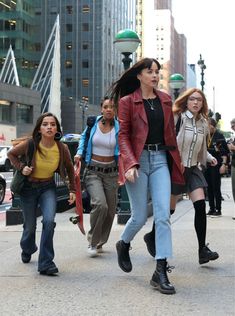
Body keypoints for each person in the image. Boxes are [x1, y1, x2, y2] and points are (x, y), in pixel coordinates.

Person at [110, 57, 185, 295]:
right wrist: (130, 163)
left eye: (156, 72)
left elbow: (170, 135)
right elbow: (123, 135)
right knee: (140, 216)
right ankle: (123, 243)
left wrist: (178, 162)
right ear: (139, 76)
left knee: (163, 215)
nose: (154, 75)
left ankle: (160, 270)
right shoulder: (127, 102)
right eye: (149, 71)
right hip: (138, 160)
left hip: (161, 159)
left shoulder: (165, 99)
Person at [144, 88, 220, 266]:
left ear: (203, 104)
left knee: (200, 206)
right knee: (168, 210)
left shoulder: (202, 122)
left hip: (193, 168)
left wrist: (209, 158)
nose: (196, 103)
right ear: (186, 101)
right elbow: (170, 142)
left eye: (199, 100)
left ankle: (202, 250)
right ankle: (151, 237)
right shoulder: (178, 118)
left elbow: (199, 147)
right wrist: (174, 162)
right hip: (176, 168)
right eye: (192, 99)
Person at [7, 112, 76, 275]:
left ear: (57, 128)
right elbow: (11, 154)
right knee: (30, 226)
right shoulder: (31, 144)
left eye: (53, 124)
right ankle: (28, 247)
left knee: (49, 221)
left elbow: (70, 169)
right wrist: (21, 167)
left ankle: (46, 262)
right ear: (39, 128)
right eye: (45, 124)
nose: (49, 127)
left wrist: (72, 189)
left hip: (48, 187)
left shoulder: (62, 148)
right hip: (28, 188)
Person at [75, 97, 119, 257]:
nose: (109, 109)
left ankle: (100, 241)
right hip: (93, 171)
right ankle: (92, 242)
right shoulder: (93, 123)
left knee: (110, 211)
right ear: (101, 109)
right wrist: (79, 153)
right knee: (100, 205)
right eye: (106, 107)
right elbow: (83, 139)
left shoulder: (119, 127)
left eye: (112, 107)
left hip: (112, 173)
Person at [204, 117, 229, 217]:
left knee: (216, 187)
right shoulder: (205, 136)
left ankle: (218, 209)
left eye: (207, 125)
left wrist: (223, 164)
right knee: (208, 187)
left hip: (216, 164)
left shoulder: (219, 136)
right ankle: (211, 208)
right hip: (207, 165)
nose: (205, 127)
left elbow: (225, 152)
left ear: (212, 126)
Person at [228, 118, 235, 219]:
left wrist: (233, 148)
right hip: (234, 164)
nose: (232, 128)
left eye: (233, 125)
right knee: (234, 188)